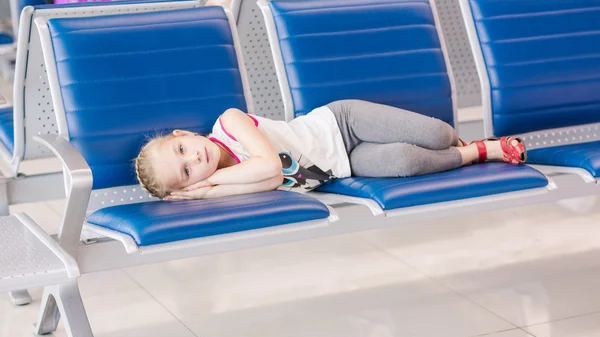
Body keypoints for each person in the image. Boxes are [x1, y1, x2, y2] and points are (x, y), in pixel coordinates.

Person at [135, 100, 526, 201]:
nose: (193, 159)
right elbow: (270, 182)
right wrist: (211, 192)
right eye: (185, 172)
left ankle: (457, 140)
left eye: (182, 148)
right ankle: (480, 151)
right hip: (344, 167)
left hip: (341, 122)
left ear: (183, 132)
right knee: (407, 162)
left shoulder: (229, 122)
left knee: (437, 134)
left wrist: (211, 183)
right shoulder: (221, 189)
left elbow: (269, 166)